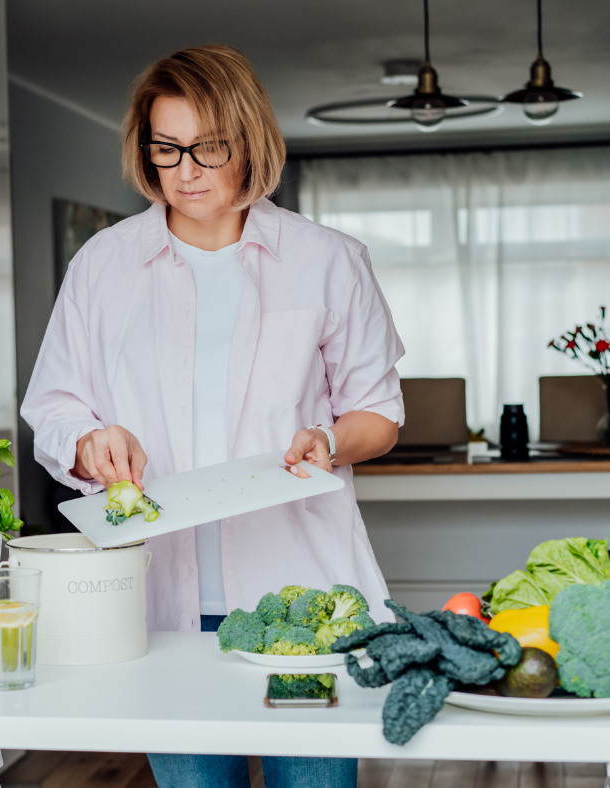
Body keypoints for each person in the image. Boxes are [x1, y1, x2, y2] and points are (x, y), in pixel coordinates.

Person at [21, 44, 404, 788]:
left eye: (208, 147)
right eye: (166, 149)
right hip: (159, 605)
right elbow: (56, 404)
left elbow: (379, 413)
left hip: (302, 608)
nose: (186, 170)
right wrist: (91, 441)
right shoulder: (103, 265)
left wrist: (328, 439)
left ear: (249, 142)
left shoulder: (327, 260)